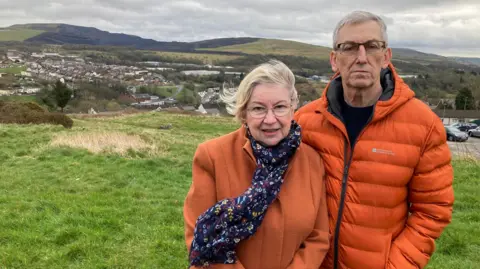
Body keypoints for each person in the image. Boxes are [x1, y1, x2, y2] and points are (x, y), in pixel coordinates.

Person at [294, 10, 454, 269]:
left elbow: (433, 211)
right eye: (348, 48)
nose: (360, 58)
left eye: (371, 46)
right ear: (334, 60)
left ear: (386, 56)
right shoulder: (305, 121)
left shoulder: (423, 125)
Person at [183, 60, 330, 269]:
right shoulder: (212, 156)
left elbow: (318, 238)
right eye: (258, 109)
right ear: (243, 112)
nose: (270, 120)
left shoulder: (313, 162)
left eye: (280, 107)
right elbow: (202, 239)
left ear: (292, 108)